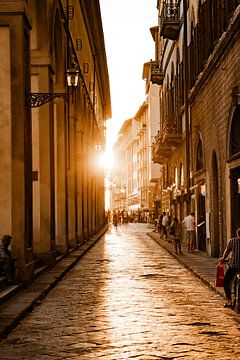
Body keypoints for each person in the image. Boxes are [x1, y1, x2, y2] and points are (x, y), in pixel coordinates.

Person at [218, 228, 240, 308]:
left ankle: (229, 301)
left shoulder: (232, 241)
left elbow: (227, 252)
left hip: (234, 266)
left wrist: (223, 259)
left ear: (237, 234)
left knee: (226, 281)